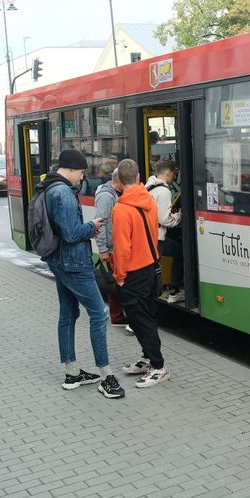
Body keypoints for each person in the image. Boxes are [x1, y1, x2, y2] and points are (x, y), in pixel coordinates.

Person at [37, 148, 124, 399]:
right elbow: (72, 233)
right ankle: (106, 376)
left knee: (68, 313)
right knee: (99, 313)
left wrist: (85, 229)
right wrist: (91, 226)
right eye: (82, 172)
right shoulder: (63, 193)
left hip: (58, 260)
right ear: (73, 169)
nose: (82, 177)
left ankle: (72, 372)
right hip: (74, 263)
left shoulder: (49, 187)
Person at [111, 159, 170, 388]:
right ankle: (148, 358)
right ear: (138, 178)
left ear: (118, 181)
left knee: (140, 320)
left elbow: (122, 249)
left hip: (133, 273)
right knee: (147, 316)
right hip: (150, 267)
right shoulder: (149, 201)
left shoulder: (121, 209)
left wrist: (119, 276)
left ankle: (158, 366)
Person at [94, 160, 132, 330]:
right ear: (118, 180)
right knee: (114, 281)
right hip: (110, 247)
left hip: (115, 245)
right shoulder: (106, 196)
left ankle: (117, 314)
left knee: (115, 281)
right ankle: (116, 315)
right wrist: (102, 249)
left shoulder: (114, 193)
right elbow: (100, 224)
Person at [146, 158, 184, 303]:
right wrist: (179, 215)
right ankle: (174, 291)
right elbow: (165, 219)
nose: (174, 178)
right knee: (179, 253)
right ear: (168, 173)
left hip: (147, 236)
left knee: (150, 268)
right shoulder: (164, 191)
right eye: (174, 174)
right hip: (156, 238)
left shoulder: (149, 186)